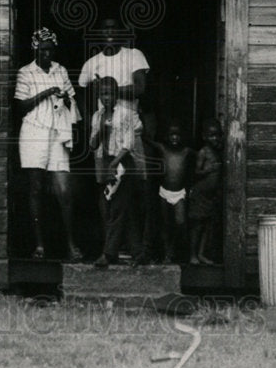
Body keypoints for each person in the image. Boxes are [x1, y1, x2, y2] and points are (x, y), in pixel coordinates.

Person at [77, 16, 153, 259]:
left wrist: (108, 88)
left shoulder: (134, 55)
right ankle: (115, 246)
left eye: (114, 28)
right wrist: (96, 121)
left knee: (134, 189)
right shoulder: (93, 63)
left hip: (129, 127)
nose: (109, 32)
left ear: (122, 32)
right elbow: (83, 92)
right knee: (106, 192)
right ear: (99, 33)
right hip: (105, 127)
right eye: (104, 28)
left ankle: (135, 247)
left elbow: (141, 88)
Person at [14, 27, 81, 262]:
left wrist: (65, 97)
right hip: (34, 132)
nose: (47, 55)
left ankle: (71, 245)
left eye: (50, 50)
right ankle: (40, 245)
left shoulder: (60, 70)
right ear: (35, 49)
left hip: (57, 131)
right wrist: (46, 92)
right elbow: (21, 106)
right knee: (35, 188)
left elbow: (72, 97)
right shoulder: (25, 72)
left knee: (64, 190)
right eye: (42, 50)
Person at [89, 76, 145, 268]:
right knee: (111, 208)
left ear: (116, 94)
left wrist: (114, 164)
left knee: (117, 209)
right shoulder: (97, 116)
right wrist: (102, 131)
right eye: (103, 93)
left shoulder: (125, 114)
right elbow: (92, 144)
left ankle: (108, 253)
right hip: (105, 164)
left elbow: (128, 145)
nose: (106, 97)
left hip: (121, 163)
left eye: (110, 93)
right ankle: (139, 251)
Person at [152, 121, 192, 263]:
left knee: (180, 222)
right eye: (171, 135)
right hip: (164, 191)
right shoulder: (163, 149)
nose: (174, 138)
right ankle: (167, 253)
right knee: (165, 223)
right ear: (166, 137)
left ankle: (177, 250)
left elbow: (198, 159)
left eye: (177, 135)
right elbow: (146, 139)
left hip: (179, 192)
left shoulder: (186, 151)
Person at [189, 117, 223, 265]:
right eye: (211, 135)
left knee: (207, 226)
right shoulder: (203, 152)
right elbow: (195, 172)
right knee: (198, 225)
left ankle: (201, 254)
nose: (214, 138)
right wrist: (207, 170)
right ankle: (192, 255)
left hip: (210, 196)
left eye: (217, 135)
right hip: (200, 195)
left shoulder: (218, 152)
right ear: (204, 136)